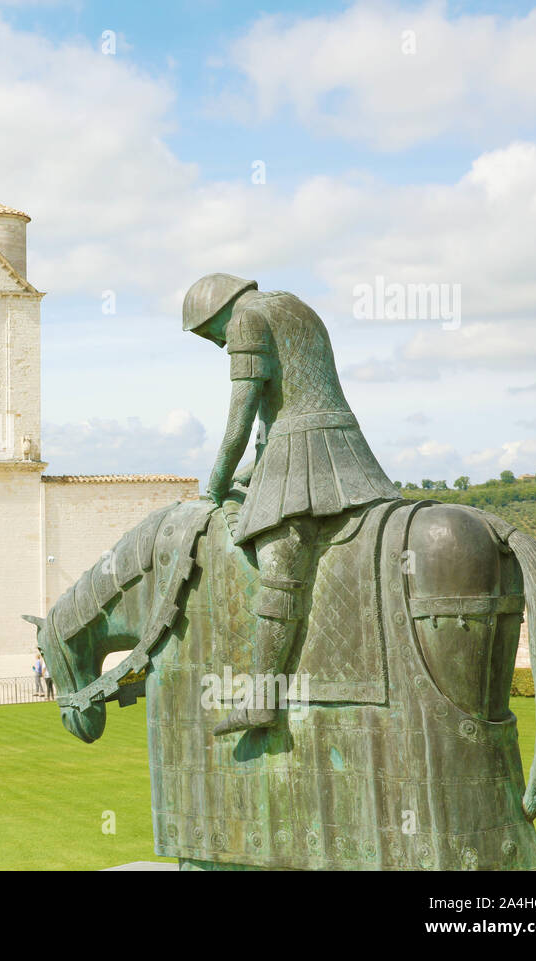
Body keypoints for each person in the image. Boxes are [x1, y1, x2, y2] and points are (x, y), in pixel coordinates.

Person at [185, 273, 399, 735]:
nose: (221, 345)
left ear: (218, 313)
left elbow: (242, 412)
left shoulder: (246, 320)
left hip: (302, 453)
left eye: (211, 335)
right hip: (339, 445)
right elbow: (288, 402)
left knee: (279, 569)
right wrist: (250, 473)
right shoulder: (295, 305)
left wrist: (219, 479)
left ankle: (262, 697)